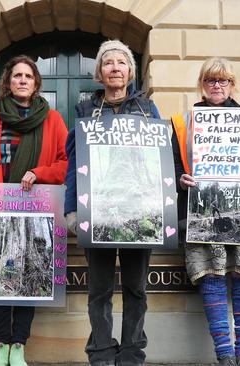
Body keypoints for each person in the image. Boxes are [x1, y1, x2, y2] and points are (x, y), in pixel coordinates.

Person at [170, 57, 240, 366]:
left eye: (223, 81)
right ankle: (224, 355)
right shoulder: (185, 123)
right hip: (204, 215)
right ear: (202, 85)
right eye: (210, 81)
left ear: (232, 85)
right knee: (211, 276)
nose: (217, 86)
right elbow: (173, 169)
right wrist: (181, 179)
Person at [0, 55, 68, 366]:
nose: (22, 80)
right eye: (17, 75)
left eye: (28, 76)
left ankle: (19, 345)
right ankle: (1, 347)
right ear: (8, 82)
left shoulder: (53, 120)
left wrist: (40, 172)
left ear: (36, 84)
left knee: (30, 278)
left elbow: (65, 164)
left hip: (35, 209)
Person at [64, 40, 160, 366]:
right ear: (100, 73)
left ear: (131, 71)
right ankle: (102, 354)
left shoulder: (149, 111)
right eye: (108, 63)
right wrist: (71, 209)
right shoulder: (85, 112)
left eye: (121, 62)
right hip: (99, 212)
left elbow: (160, 162)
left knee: (136, 290)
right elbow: (73, 162)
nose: (115, 68)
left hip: (140, 213)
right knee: (99, 291)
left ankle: (133, 354)